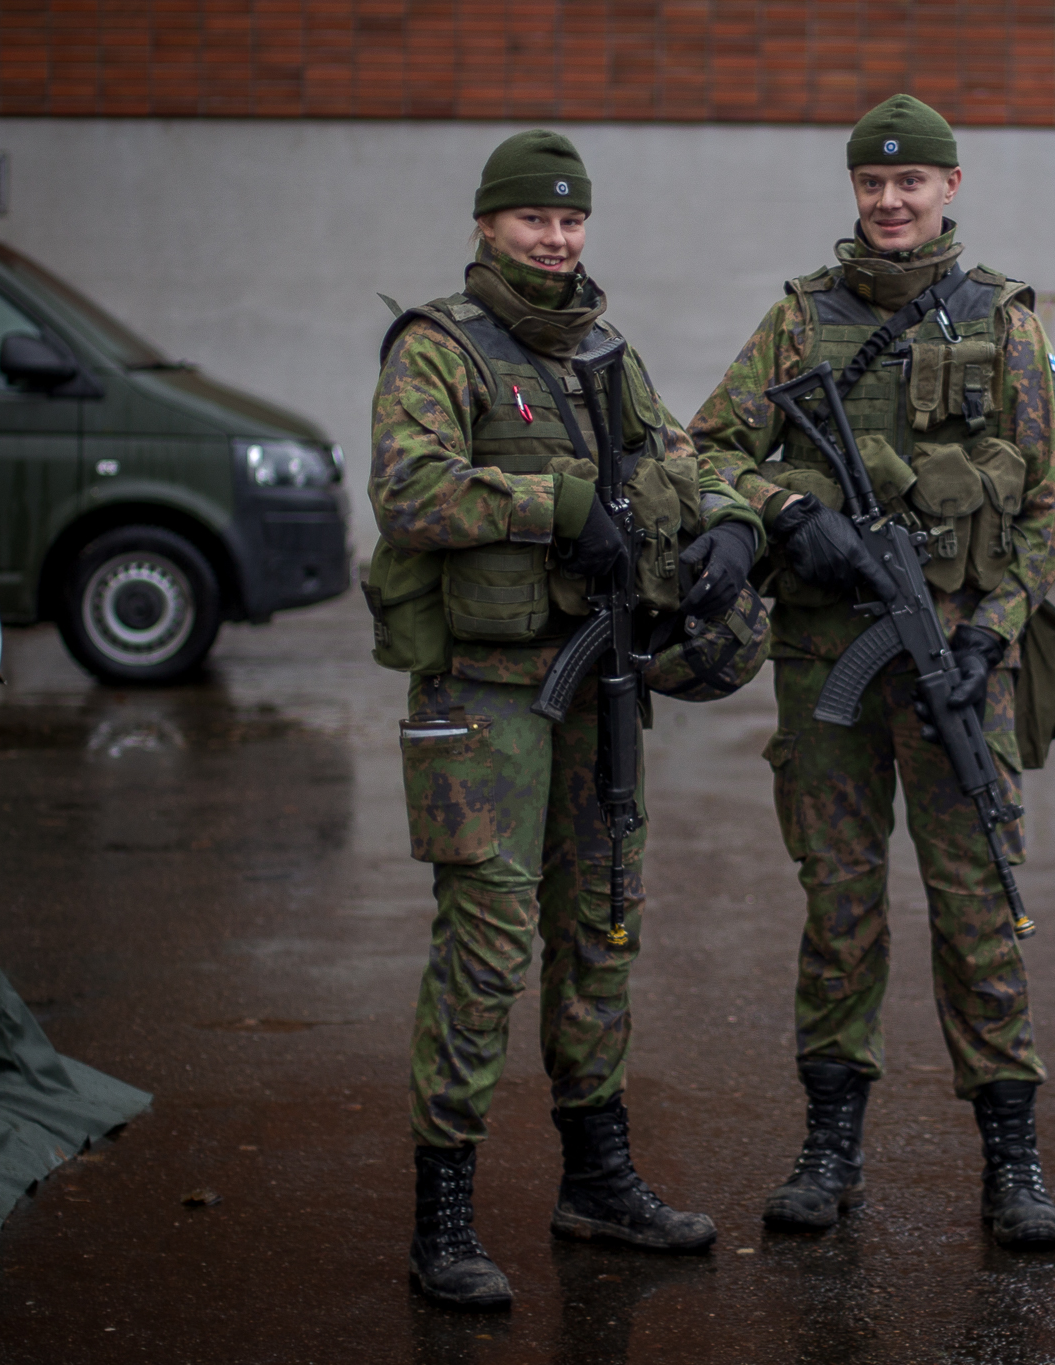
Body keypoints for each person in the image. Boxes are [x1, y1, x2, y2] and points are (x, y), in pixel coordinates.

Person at [368, 130, 766, 1309]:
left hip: (598, 687)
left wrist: (731, 518)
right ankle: (442, 1218)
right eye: (532, 217)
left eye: (570, 218)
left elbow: (681, 458)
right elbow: (409, 488)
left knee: (601, 929)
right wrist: (557, 503)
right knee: (485, 948)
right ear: (488, 223)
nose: (554, 236)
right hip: (484, 697)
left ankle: (597, 1180)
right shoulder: (439, 348)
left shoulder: (603, 347)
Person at [687, 95, 1055, 1249]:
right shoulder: (801, 321)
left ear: (951, 186)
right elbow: (702, 449)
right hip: (825, 664)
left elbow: (1047, 511)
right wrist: (788, 508)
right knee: (839, 909)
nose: (890, 201)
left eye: (911, 182)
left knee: (979, 912)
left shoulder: (1006, 326)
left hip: (961, 669)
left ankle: (1011, 1161)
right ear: (854, 191)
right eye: (871, 183)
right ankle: (829, 1149)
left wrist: (986, 633)